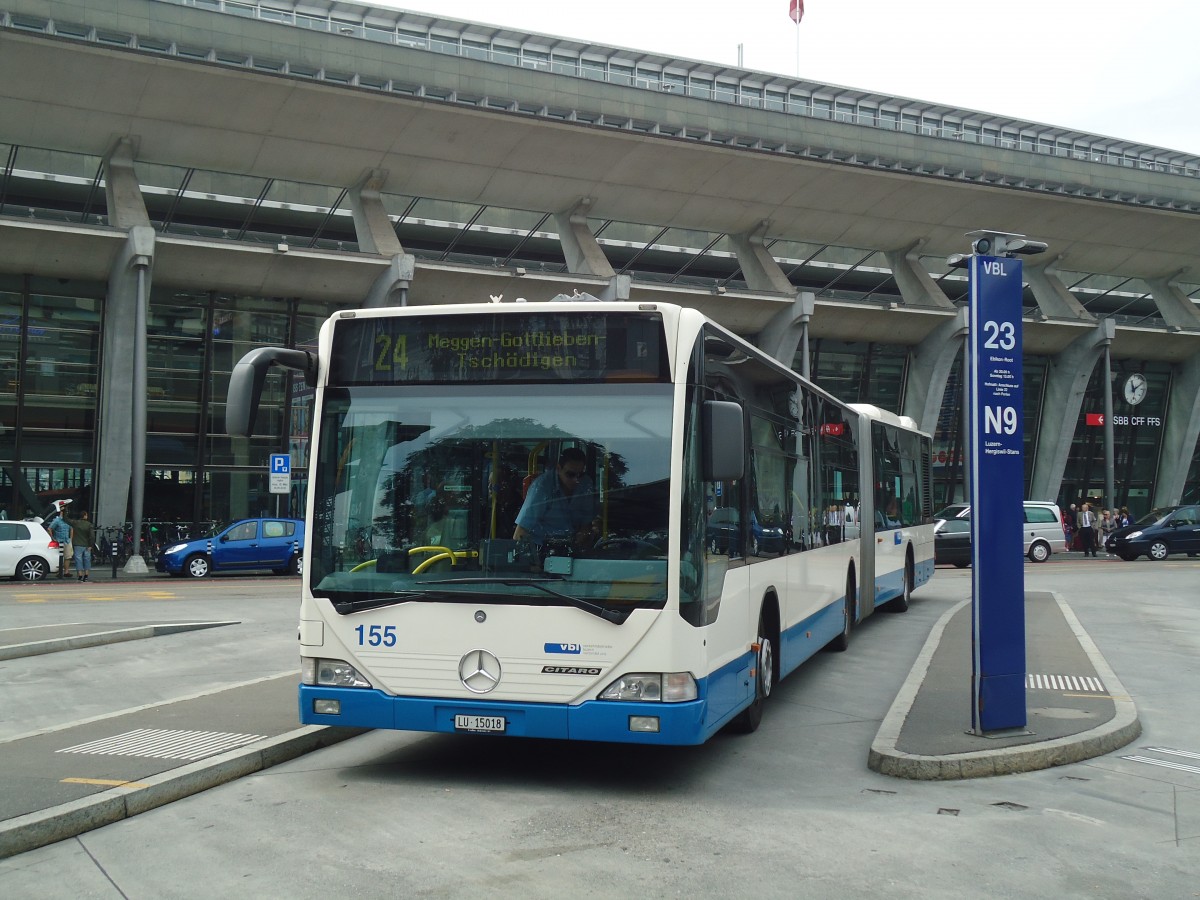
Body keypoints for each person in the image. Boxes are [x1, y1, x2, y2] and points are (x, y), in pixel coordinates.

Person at [513, 447, 598, 549]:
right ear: (558, 469)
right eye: (570, 474)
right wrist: (533, 563)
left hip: (572, 548)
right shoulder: (541, 487)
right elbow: (520, 534)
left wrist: (584, 535)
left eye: (580, 474)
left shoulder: (586, 483)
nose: (576, 480)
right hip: (541, 549)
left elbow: (586, 523)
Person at [63, 509, 95, 581]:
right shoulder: (89, 525)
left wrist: (65, 511)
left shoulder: (75, 523)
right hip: (87, 545)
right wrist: (91, 545)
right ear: (85, 516)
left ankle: (80, 575)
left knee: (78, 560)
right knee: (87, 559)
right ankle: (86, 575)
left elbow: (66, 519)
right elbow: (92, 536)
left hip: (77, 544)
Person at [48, 513, 72, 577]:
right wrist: (53, 538)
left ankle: (66, 572)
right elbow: (49, 528)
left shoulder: (68, 520)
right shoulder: (57, 520)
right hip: (59, 541)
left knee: (68, 556)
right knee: (59, 557)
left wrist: (70, 538)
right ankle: (59, 572)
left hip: (67, 541)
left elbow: (71, 528)